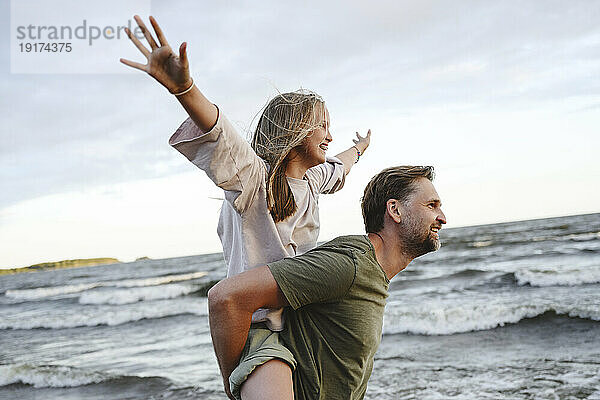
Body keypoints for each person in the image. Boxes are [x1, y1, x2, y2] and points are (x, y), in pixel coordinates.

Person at [120, 16, 371, 399]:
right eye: (323, 125)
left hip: (303, 322)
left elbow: (340, 165)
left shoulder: (312, 182)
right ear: (297, 130)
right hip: (261, 329)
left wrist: (359, 148)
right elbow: (222, 137)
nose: (330, 134)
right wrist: (184, 88)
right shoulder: (253, 180)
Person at [208, 165, 447, 400]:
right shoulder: (349, 264)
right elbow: (227, 297)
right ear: (395, 210)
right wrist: (234, 383)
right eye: (431, 205)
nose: (442, 218)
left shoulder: (370, 271)